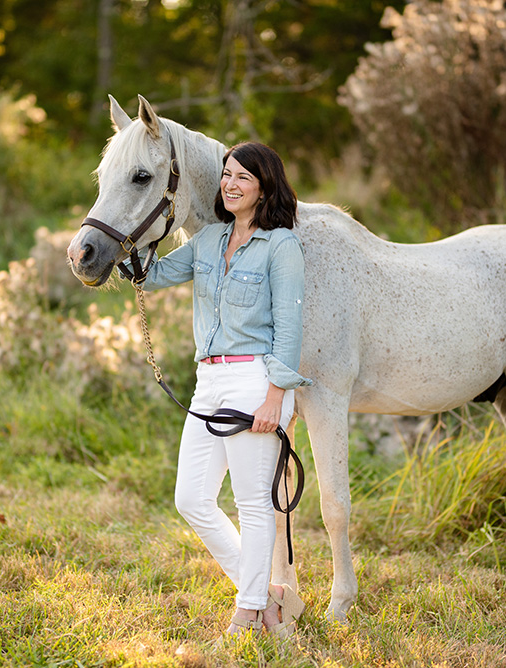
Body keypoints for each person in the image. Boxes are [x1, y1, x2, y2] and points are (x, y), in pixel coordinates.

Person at [135, 141, 311, 636]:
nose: (230, 185)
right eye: (226, 175)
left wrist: (277, 395)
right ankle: (270, 598)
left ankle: (249, 611)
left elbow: (289, 327)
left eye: (243, 178)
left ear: (264, 188)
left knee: (253, 502)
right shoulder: (210, 239)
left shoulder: (282, 246)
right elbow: (156, 274)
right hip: (207, 380)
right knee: (191, 499)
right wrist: (127, 244)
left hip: (256, 377)